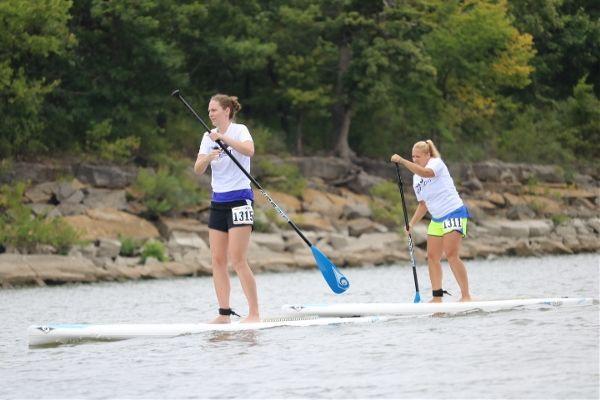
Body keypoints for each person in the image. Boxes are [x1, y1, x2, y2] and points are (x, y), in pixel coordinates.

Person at [194, 94, 259, 323]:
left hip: (241, 199)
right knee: (218, 260)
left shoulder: (240, 130)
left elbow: (249, 151)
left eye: (214, 110)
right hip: (218, 202)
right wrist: (209, 157)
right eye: (209, 110)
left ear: (227, 111)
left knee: (238, 259)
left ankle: (254, 314)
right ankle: (224, 314)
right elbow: (198, 168)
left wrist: (223, 138)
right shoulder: (206, 137)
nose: (210, 114)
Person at [391, 140, 472, 302]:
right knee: (432, 257)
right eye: (412, 157)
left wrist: (402, 161)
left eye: (418, 156)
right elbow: (423, 205)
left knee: (451, 254)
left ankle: (466, 296)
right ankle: (437, 298)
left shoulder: (436, 163)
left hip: (453, 212)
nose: (414, 159)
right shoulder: (416, 179)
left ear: (428, 155)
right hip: (437, 219)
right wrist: (411, 224)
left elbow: (426, 173)